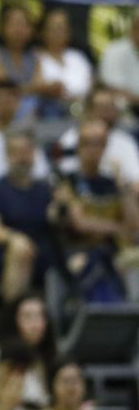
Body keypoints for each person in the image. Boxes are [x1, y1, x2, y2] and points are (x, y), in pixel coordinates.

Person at [51, 118, 136, 302]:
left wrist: (125, 190)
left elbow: (134, 227)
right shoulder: (66, 180)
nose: (94, 150)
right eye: (88, 143)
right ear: (79, 146)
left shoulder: (112, 182)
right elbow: (80, 223)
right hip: (76, 251)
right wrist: (118, 227)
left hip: (113, 252)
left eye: (99, 144)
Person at [0, 129, 58, 300]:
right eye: (16, 152)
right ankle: (12, 319)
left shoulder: (45, 189)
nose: (23, 158)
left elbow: (58, 223)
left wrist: (63, 208)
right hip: (0, 255)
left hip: (43, 254)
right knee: (20, 251)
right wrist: (14, 239)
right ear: (7, 156)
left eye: (27, 152)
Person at [55, 85, 139, 187]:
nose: (107, 113)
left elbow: (136, 178)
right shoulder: (69, 140)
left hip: (116, 195)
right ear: (89, 110)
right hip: (78, 193)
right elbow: (63, 174)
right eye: (102, 108)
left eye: (110, 108)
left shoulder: (125, 141)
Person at [0, 3, 41, 121]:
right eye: (15, 24)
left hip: (18, 107)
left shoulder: (34, 55)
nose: (19, 30)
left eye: (25, 25)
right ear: (2, 27)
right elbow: (3, 89)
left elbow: (38, 84)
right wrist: (37, 88)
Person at [33, 7, 93, 118]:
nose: (58, 33)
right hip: (51, 110)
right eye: (53, 29)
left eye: (61, 28)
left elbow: (92, 84)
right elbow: (34, 86)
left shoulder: (78, 57)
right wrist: (48, 88)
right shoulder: (36, 56)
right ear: (42, 32)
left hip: (83, 107)